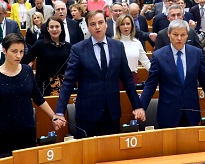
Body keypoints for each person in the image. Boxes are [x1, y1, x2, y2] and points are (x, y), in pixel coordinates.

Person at [0, 34, 62, 157]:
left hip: (27, 133)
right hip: (3, 136)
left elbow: (38, 97)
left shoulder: (27, 71)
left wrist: (53, 116)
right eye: (14, 51)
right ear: (4, 51)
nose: (19, 56)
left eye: (21, 51)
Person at [53, 10, 145, 138]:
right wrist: (59, 111)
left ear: (106, 24)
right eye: (93, 24)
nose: (97, 27)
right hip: (87, 114)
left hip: (111, 113)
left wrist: (137, 106)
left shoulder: (118, 46)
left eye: (100, 22)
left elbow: (127, 79)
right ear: (88, 27)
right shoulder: (78, 49)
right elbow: (68, 82)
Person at [140, 19, 205, 128]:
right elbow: (150, 85)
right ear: (169, 34)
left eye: (183, 35)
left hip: (191, 112)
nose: (179, 38)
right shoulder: (158, 56)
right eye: (175, 34)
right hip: (168, 113)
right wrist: (140, 107)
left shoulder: (196, 54)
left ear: (187, 35)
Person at [22, 17, 71, 96]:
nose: (54, 29)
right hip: (45, 87)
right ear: (47, 29)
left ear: (61, 28)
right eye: (51, 27)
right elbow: (24, 60)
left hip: (65, 87)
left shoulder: (68, 46)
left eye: (57, 26)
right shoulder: (40, 44)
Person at [114, 14, 150, 86]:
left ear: (132, 26)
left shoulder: (137, 43)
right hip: (116, 78)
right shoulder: (113, 43)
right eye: (122, 24)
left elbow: (146, 62)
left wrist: (158, 74)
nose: (125, 27)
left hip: (133, 78)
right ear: (118, 27)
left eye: (128, 24)